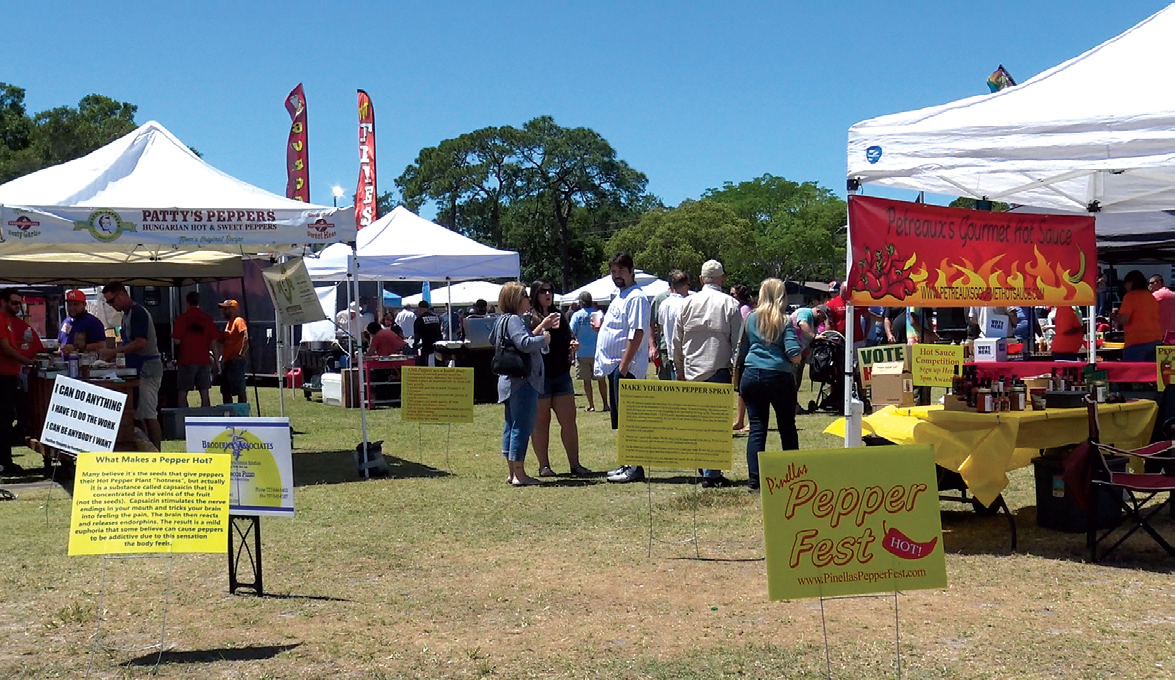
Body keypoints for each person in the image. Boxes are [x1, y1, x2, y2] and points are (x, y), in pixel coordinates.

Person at [674, 259, 743, 487]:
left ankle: (705, 469)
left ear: (701, 279)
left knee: (697, 424)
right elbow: (737, 342)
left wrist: (680, 370)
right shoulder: (730, 304)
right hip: (718, 368)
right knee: (717, 424)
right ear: (722, 278)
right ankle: (712, 473)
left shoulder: (686, 303)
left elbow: (676, 342)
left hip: (692, 370)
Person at [736, 279, 802, 491]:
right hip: (778, 377)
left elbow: (742, 351)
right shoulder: (784, 320)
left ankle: (754, 481)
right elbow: (794, 355)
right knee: (786, 427)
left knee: (757, 428)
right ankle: (793, 477)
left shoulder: (750, 318)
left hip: (751, 374)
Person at [491, 281, 556, 486]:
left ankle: (512, 472)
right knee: (522, 426)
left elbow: (494, 340)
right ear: (516, 299)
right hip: (522, 380)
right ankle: (520, 473)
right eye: (525, 296)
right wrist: (544, 339)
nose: (529, 298)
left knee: (510, 426)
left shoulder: (501, 321)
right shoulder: (515, 320)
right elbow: (524, 343)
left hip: (507, 381)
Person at [526, 280, 590, 477]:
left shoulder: (560, 316)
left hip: (561, 374)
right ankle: (544, 466)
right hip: (540, 376)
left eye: (550, 291)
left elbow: (566, 339)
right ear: (535, 294)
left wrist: (572, 345)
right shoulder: (529, 317)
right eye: (543, 291)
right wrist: (543, 325)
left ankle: (575, 464)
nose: (547, 294)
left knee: (569, 420)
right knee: (541, 422)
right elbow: (526, 341)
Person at [597, 252, 651, 484]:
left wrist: (624, 364)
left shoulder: (636, 297)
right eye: (613, 272)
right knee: (623, 421)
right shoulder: (621, 296)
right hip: (616, 367)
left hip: (626, 368)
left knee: (631, 420)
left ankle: (635, 467)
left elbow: (637, 332)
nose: (616, 275)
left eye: (620, 271)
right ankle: (627, 463)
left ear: (631, 272)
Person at [99, 282, 163, 451]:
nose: (112, 306)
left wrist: (115, 352)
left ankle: (158, 454)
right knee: (138, 415)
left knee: (149, 414)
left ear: (122, 294)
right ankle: (146, 450)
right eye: (108, 303)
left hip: (147, 368)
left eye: (112, 301)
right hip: (137, 368)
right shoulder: (127, 314)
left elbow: (140, 343)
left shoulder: (138, 313)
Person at [1, 289, 41, 475]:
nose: (18, 307)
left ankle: (5, 462)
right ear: (3, 302)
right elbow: (5, 348)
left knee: (7, 419)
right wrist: (26, 361)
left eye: (19, 303)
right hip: (2, 376)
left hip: (10, 374)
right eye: (14, 303)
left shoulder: (9, 321)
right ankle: (4, 463)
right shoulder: (1, 319)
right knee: (4, 420)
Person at [172, 291, 218, 408]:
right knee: (204, 393)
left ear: (187, 302)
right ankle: (206, 419)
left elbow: (176, 340)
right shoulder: (207, 319)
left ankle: (183, 418)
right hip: (203, 360)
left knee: (182, 392)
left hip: (186, 359)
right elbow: (213, 343)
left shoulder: (182, 319)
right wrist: (216, 361)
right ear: (199, 302)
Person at [569, 291, 609, 413]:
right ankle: (605, 404)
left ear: (580, 302)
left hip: (582, 352)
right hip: (598, 352)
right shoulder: (598, 314)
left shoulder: (577, 315)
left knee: (587, 381)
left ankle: (591, 405)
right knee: (601, 380)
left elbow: (571, 331)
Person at [1112, 269, 1163, 362]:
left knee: (1134, 374)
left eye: (1125, 284)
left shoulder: (1130, 296)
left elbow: (1124, 320)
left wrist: (1113, 316)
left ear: (1131, 282)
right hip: (1156, 340)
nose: (1125, 286)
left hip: (1137, 342)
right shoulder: (1151, 297)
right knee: (1151, 374)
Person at [656, 270, 690, 382]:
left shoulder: (663, 304)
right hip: (685, 356)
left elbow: (661, 328)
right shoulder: (686, 304)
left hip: (670, 353)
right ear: (685, 285)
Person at [729, 283, 753, 432]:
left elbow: (742, 334)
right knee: (741, 390)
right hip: (738, 354)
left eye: (733, 294)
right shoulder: (737, 309)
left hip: (745, 353)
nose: (731, 296)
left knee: (748, 391)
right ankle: (739, 420)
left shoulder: (744, 310)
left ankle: (750, 421)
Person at [217, 299, 249, 405]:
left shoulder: (238, 321)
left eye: (226, 309)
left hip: (236, 362)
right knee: (225, 390)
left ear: (234, 309)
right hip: (227, 361)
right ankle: (228, 413)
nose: (224, 311)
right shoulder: (228, 323)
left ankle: (242, 413)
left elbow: (247, 337)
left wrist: (241, 354)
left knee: (239, 389)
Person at [57, 289, 106, 355]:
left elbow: (102, 345)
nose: (72, 308)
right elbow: (60, 343)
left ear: (84, 305)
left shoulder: (93, 322)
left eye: (75, 304)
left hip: (85, 362)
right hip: (65, 363)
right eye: (69, 305)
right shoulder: (65, 322)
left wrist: (76, 348)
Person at [412, 301, 442, 366]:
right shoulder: (436, 318)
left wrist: (414, 344)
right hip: (438, 347)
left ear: (419, 308)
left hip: (427, 348)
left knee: (427, 367)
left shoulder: (419, 320)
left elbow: (417, 336)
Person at [1149, 274, 1175, 342]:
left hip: (1159, 334)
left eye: (1151, 283)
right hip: (1172, 334)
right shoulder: (1173, 295)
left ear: (1159, 282)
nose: (1150, 285)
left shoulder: (1156, 295)